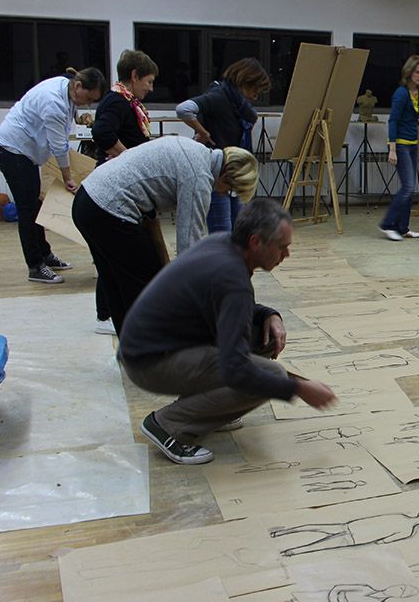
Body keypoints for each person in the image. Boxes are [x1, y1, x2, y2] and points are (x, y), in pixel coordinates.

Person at [118, 199, 336, 465]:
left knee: (262, 338)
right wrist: (298, 387)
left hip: (153, 345)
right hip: (149, 363)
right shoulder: (233, 279)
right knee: (270, 375)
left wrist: (269, 315)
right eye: (282, 247)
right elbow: (237, 370)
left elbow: (221, 302)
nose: (286, 255)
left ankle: (208, 409)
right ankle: (168, 426)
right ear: (256, 242)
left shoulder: (224, 244)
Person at [73, 135, 259, 336]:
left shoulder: (192, 149)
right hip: (109, 208)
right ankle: (148, 357)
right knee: (146, 289)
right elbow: (189, 248)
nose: (223, 194)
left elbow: (151, 219)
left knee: (117, 285)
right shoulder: (199, 178)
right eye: (230, 191)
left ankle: (131, 355)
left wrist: (164, 265)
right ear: (226, 176)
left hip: (87, 201)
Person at [0, 66, 107, 284]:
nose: (88, 104)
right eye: (89, 98)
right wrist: (67, 178)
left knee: (35, 204)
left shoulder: (69, 87)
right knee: (27, 209)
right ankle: (35, 266)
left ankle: (45, 254)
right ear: (79, 86)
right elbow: (59, 146)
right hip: (12, 149)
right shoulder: (54, 102)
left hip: (25, 152)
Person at [89, 49, 159, 335]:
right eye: (149, 81)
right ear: (134, 76)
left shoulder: (127, 103)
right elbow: (102, 134)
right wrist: (131, 162)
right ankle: (108, 315)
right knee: (118, 256)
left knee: (112, 254)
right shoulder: (116, 101)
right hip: (116, 193)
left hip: (127, 191)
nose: (151, 88)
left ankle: (108, 313)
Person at [175, 57, 270, 232]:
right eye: (255, 89)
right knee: (222, 234)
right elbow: (183, 109)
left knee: (240, 231)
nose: (256, 96)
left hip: (235, 172)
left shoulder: (239, 106)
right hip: (216, 176)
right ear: (244, 81)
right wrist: (202, 132)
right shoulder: (218, 96)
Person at [380, 55, 419, 241]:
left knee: (410, 188)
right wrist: (392, 149)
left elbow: (408, 117)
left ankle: (402, 227)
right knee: (408, 187)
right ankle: (387, 225)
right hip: (401, 145)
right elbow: (393, 121)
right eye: (417, 72)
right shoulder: (401, 94)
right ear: (409, 72)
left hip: (413, 144)